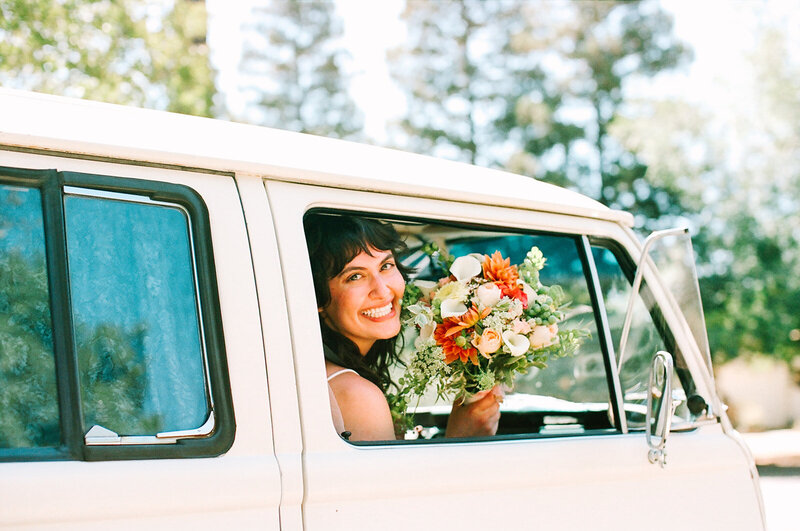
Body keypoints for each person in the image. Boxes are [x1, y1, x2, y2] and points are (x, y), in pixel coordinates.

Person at [305, 213, 501, 442]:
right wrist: (461, 437)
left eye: (386, 266)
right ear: (318, 297)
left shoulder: (324, 373)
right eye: (355, 276)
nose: (383, 291)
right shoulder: (356, 396)